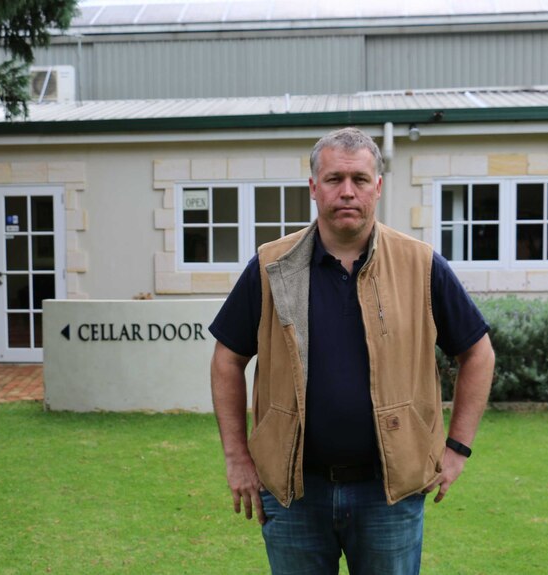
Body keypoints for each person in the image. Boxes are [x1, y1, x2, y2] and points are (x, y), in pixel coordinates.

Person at [209, 127, 495, 575]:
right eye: (334, 179)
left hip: (388, 496)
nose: (347, 191)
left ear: (377, 188)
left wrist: (457, 447)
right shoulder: (271, 267)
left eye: (360, 180)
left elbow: (478, 353)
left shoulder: (420, 265)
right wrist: (236, 457)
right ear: (313, 188)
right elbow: (227, 359)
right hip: (294, 493)